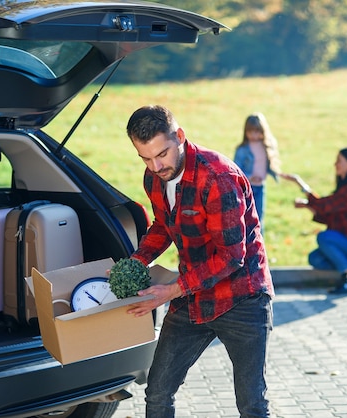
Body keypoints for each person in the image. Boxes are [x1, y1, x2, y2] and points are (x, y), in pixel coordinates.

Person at [124, 105, 274, 417]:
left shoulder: (218, 177)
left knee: (251, 404)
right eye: (146, 158)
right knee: (158, 392)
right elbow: (164, 225)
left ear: (179, 136)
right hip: (192, 296)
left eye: (162, 154)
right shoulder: (154, 178)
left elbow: (232, 257)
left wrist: (170, 291)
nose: (155, 165)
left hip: (241, 298)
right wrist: (137, 262)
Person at [280, 147, 347, 294]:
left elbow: (324, 206)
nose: (335, 164)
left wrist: (301, 185)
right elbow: (329, 214)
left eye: (339, 161)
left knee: (325, 238)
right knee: (316, 259)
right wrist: (307, 206)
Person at [233, 112, 281, 225]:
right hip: (247, 188)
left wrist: (276, 173)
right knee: (245, 218)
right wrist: (250, 177)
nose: (254, 135)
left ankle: (259, 242)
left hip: (260, 187)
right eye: (250, 132)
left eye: (257, 131)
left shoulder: (266, 146)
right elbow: (236, 169)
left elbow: (268, 164)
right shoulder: (243, 149)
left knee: (259, 218)